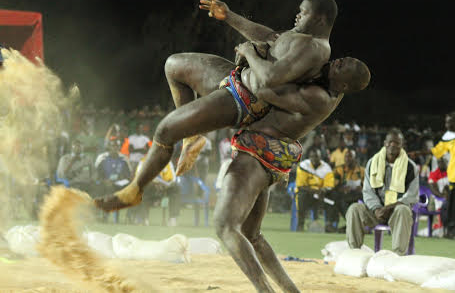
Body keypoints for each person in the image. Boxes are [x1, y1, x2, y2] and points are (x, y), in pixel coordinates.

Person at [96, 55, 370, 292]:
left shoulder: (318, 93)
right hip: (268, 154)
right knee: (252, 235)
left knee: (225, 225)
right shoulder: (323, 83)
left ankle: (264, 290)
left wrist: (250, 52)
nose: (340, 61)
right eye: (344, 59)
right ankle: (290, 291)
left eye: (345, 65)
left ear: (344, 84)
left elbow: (264, 86)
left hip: (256, 151)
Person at [169, 0, 337, 176]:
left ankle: (187, 139)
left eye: (303, 13)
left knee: (166, 124)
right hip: (245, 87)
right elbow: (270, 36)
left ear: (320, 19)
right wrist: (229, 16)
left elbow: (270, 77)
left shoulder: (315, 47)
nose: (297, 16)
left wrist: (250, 52)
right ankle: (191, 138)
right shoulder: (303, 38)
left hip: (249, 102)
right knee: (174, 65)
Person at [345, 128, 419, 256]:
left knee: (403, 210)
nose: (393, 145)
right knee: (354, 209)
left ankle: (398, 256)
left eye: (397, 142)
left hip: (396, 212)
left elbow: (411, 196)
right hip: (375, 212)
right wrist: (376, 208)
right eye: (390, 142)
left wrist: (389, 207)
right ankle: (354, 253)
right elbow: (367, 191)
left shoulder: (410, 166)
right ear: (385, 143)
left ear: (402, 145)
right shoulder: (372, 163)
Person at [324, 149, 365, 233]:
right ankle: (332, 224)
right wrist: (341, 188)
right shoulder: (339, 170)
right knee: (334, 197)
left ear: (355, 158)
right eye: (346, 157)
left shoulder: (361, 171)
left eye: (350, 157)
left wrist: (361, 187)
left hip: (357, 195)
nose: (347, 159)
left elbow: (368, 186)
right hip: (343, 194)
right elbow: (333, 185)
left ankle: (352, 225)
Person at [295, 148, 334, 231]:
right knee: (301, 195)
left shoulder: (326, 168)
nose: (314, 159)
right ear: (309, 157)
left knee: (333, 196)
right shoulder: (303, 166)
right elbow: (301, 186)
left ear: (320, 157)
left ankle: (329, 224)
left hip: (321, 194)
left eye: (316, 156)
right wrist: (315, 191)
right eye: (312, 156)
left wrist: (323, 190)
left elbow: (329, 185)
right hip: (307, 193)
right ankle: (300, 224)